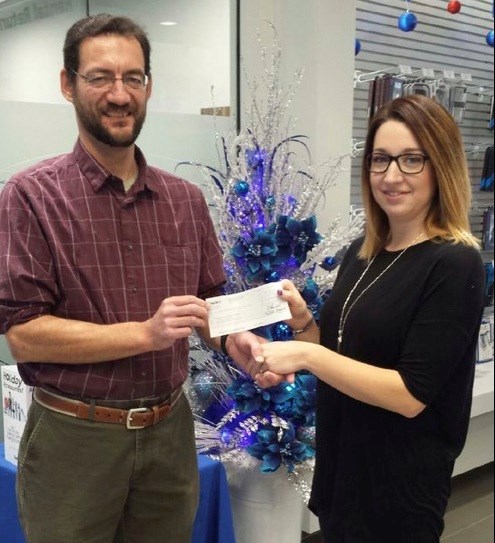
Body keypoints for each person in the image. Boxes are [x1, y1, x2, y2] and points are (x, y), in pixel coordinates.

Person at [0, 14, 263, 543]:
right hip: (74, 441)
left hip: (170, 434)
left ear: (148, 86)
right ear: (67, 84)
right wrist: (145, 333)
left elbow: (212, 303)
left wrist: (243, 341)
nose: (119, 94)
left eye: (133, 78)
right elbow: (23, 334)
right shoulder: (30, 196)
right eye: (100, 77)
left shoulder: (184, 201)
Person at [257, 95, 486, 542]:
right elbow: (343, 354)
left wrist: (305, 354)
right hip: (345, 471)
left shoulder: (455, 264)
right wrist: (304, 324)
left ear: (441, 165)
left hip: (399, 490)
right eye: (380, 159)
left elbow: (409, 395)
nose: (391, 175)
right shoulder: (365, 253)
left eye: (411, 160)